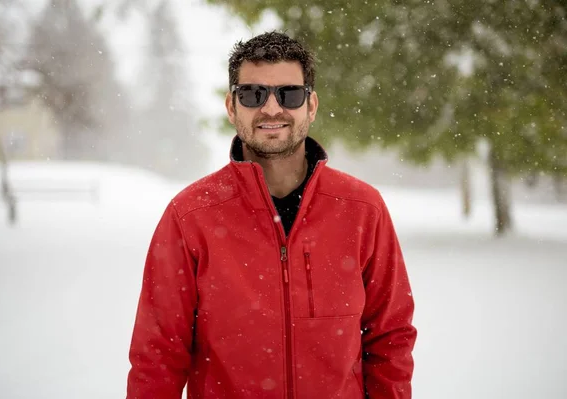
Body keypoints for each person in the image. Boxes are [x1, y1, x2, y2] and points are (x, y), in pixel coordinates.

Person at [126, 31, 417, 399]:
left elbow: (390, 337)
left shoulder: (363, 210)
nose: (272, 109)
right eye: (253, 94)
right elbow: (158, 355)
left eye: (289, 94)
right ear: (232, 106)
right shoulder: (190, 216)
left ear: (311, 106)